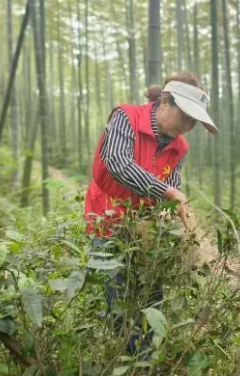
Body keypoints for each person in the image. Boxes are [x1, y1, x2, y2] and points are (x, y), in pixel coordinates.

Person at [85, 71, 218, 353]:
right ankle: (126, 358)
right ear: (165, 102)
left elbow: (170, 185)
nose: (189, 126)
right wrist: (170, 194)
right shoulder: (126, 117)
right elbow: (117, 163)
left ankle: (146, 359)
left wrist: (173, 216)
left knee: (150, 298)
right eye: (186, 117)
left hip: (145, 231)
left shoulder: (179, 146)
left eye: (195, 121)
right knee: (119, 299)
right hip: (107, 221)